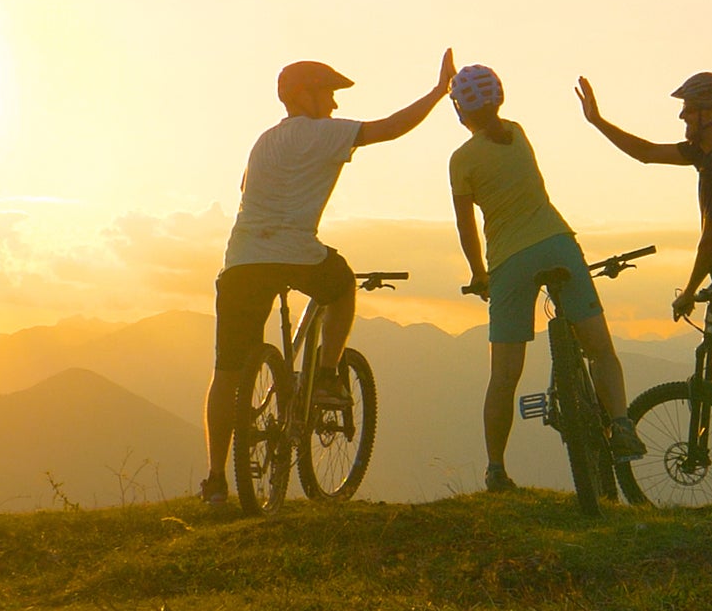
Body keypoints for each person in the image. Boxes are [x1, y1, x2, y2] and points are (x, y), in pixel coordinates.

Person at [202, 51, 456, 506]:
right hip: (295, 253)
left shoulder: (262, 142)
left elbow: (246, 190)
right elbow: (391, 127)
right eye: (330, 94)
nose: (335, 105)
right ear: (303, 95)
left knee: (227, 372)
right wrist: (438, 93)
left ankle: (216, 481)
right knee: (341, 286)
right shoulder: (323, 134)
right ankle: (326, 374)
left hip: (240, 259)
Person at [575, 71, 712, 500]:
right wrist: (597, 121)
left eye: (690, 110)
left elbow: (711, 238)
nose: (682, 116)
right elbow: (645, 154)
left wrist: (689, 289)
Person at [447, 64, 644, 492]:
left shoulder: (461, 160)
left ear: (459, 109)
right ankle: (622, 423)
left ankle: (496, 470)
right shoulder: (517, 132)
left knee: (504, 376)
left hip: (508, 263)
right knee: (600, 350)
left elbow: (466, 227)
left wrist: (478, 274)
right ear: (500, 98)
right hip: (557, 243)